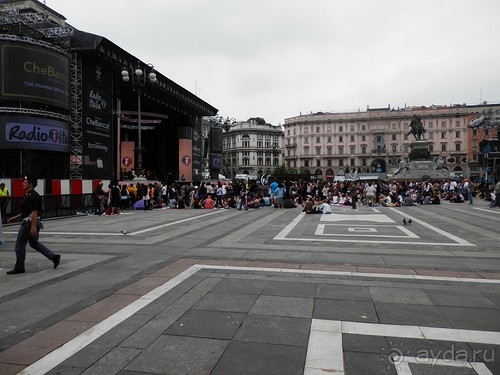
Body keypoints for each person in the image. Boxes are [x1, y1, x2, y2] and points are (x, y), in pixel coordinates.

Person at [6, 176, 61, 274]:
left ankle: (19, 267)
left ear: (30, 184)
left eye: (25, 182)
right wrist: (16, 217)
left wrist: (33, 227)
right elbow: (27, 211)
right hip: (33, 221)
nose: (22, 183)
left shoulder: (32, 196)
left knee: (20, 244)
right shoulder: (29, 195)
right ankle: (53, 257)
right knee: (34, 243)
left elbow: (34, 212)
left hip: (29, 222)